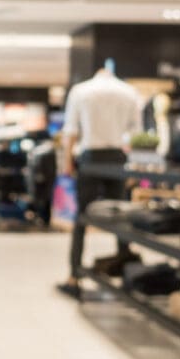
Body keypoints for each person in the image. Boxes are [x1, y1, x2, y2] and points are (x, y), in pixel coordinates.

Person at [57, 68, 142, 298]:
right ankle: (128, 274)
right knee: (121, 217)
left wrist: (67, 163)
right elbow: (135, 132)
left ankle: (73, 277)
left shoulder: (81, 91)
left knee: (82, 218)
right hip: (117, 157)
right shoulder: (129, 92)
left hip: (91, 157)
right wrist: (132, 164)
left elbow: (71, 130)